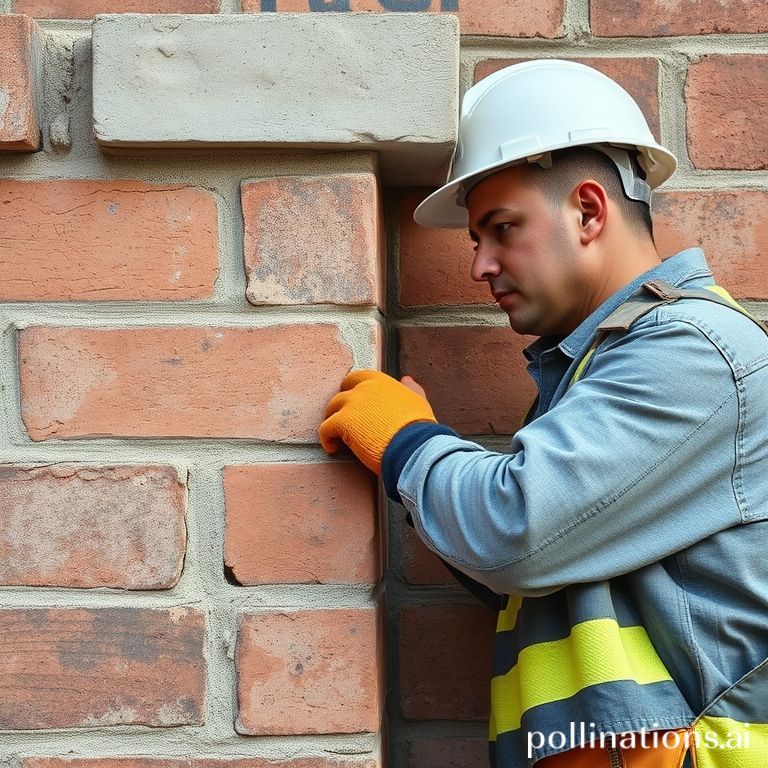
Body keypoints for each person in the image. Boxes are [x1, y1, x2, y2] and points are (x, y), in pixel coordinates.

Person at [319, 60, 768, 767]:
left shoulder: (694, 354)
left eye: (502, 229)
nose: (481, 266)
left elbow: (513, 530)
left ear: (589, 211)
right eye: (477, 240)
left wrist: (407, 443)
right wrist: (430, 482)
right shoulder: (595, 370)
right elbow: (530, 566)